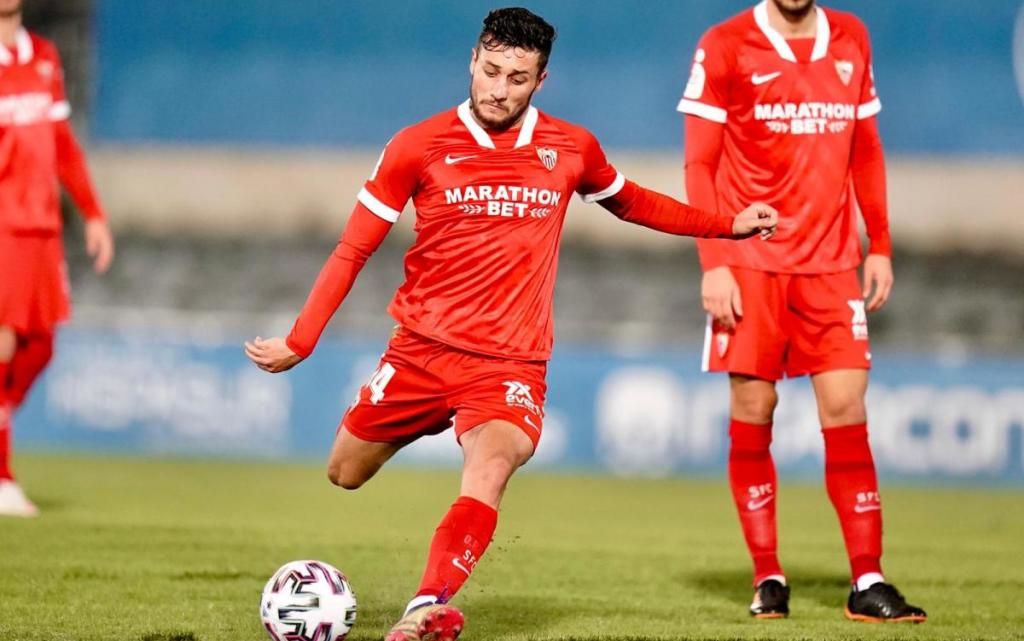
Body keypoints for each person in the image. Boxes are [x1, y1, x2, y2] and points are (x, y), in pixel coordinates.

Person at [245, 7, 777, 640]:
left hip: (508, 365)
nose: (499, 89)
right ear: (472, 60)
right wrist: (302, 339)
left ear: (541, 80)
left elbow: (634, 203)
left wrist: (726, 225)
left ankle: (425, 608)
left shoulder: (571, 148)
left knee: (490, 467)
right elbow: (353, 248)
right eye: (492, 71)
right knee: (344, 471)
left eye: (517, 78)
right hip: (419, 352)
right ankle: (433, 425)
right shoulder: (417, 145)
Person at [678, 0, 925, 623]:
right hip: (750, 263)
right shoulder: (726, 44)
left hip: (832, 264)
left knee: (847, 406)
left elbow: (865, 149)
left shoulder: (851, 37)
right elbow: (700, 163)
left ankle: (867, 579)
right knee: (754, 407)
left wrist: (880, 243)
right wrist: (714, 261)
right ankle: (767, 576)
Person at [0, 0, 114, 517]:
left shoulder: (43, 56)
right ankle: (2, 478)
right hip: (4, 224)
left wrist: (92, 213)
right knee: (4, 343)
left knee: (41, 345)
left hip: (44, 226)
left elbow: (62, 143)